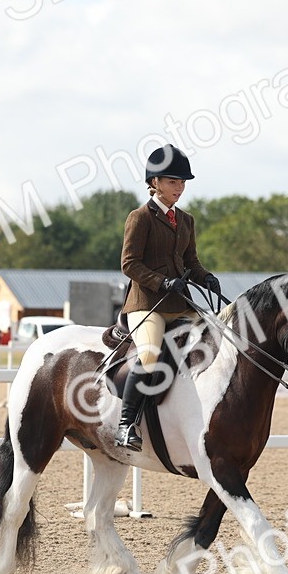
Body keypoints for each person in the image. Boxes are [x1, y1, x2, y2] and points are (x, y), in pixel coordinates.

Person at [116, 144, 221, 451]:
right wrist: (162, 282)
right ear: (155, 183)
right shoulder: (140, 217)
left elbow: (192, 263)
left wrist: (206, 277)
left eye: (183, 182)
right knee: (149, 355)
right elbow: (129, 264)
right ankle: (126, 425)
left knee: (217, 342)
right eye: (173, 181)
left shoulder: (186, 220)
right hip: (146, 304)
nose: (180, 187)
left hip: (180, 304)